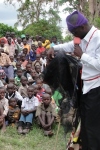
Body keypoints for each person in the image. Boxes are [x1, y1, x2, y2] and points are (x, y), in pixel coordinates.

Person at [47, 10, 100, 149]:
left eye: (74, 32)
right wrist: (54, 48)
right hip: (85, 87)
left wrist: (82, 55)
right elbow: (70, 46)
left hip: (97, 88)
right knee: (85, 124)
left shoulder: (98, 38)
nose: (73, 36)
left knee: (93, 127)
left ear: (82, 27)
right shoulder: (80, 37)